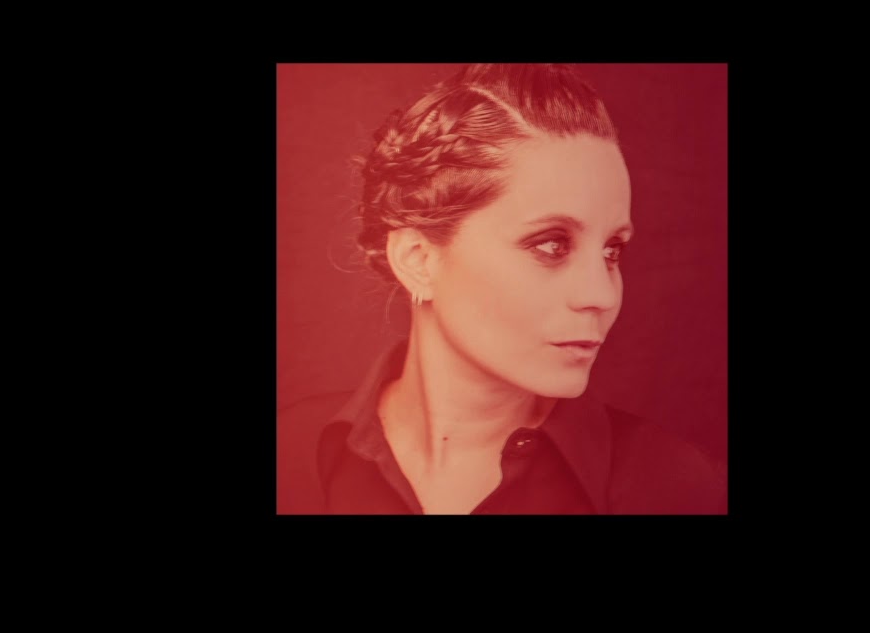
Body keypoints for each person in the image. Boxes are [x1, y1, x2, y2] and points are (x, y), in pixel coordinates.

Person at [277, 63, 726, 514]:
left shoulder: (673, 490)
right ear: (418, 259)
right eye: (551, 245)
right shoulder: (291, 457)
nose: (602, 296)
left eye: (611, 251)